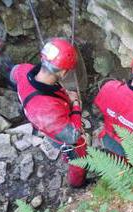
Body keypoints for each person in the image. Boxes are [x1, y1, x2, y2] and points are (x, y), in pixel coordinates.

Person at [10, 38, 87, 187]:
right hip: (60, 136)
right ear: (64, 72)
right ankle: (78, 184)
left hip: (48, 121)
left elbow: (13, 72)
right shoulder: (45, 109)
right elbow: (72, 135)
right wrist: (76, 105)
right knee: (78, 160)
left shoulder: (24, 70)